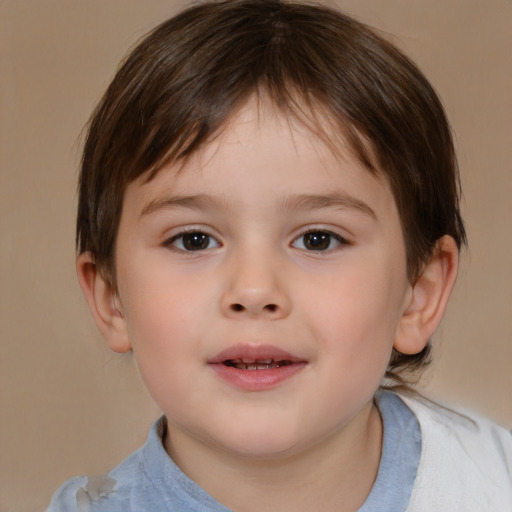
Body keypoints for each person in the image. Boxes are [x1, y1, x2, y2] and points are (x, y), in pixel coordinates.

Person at [47, 1, 512, 510]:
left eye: (319, 239)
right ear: (112, 297)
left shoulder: (492, 482)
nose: (253, 290)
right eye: (194, 239)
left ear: (416, 295)